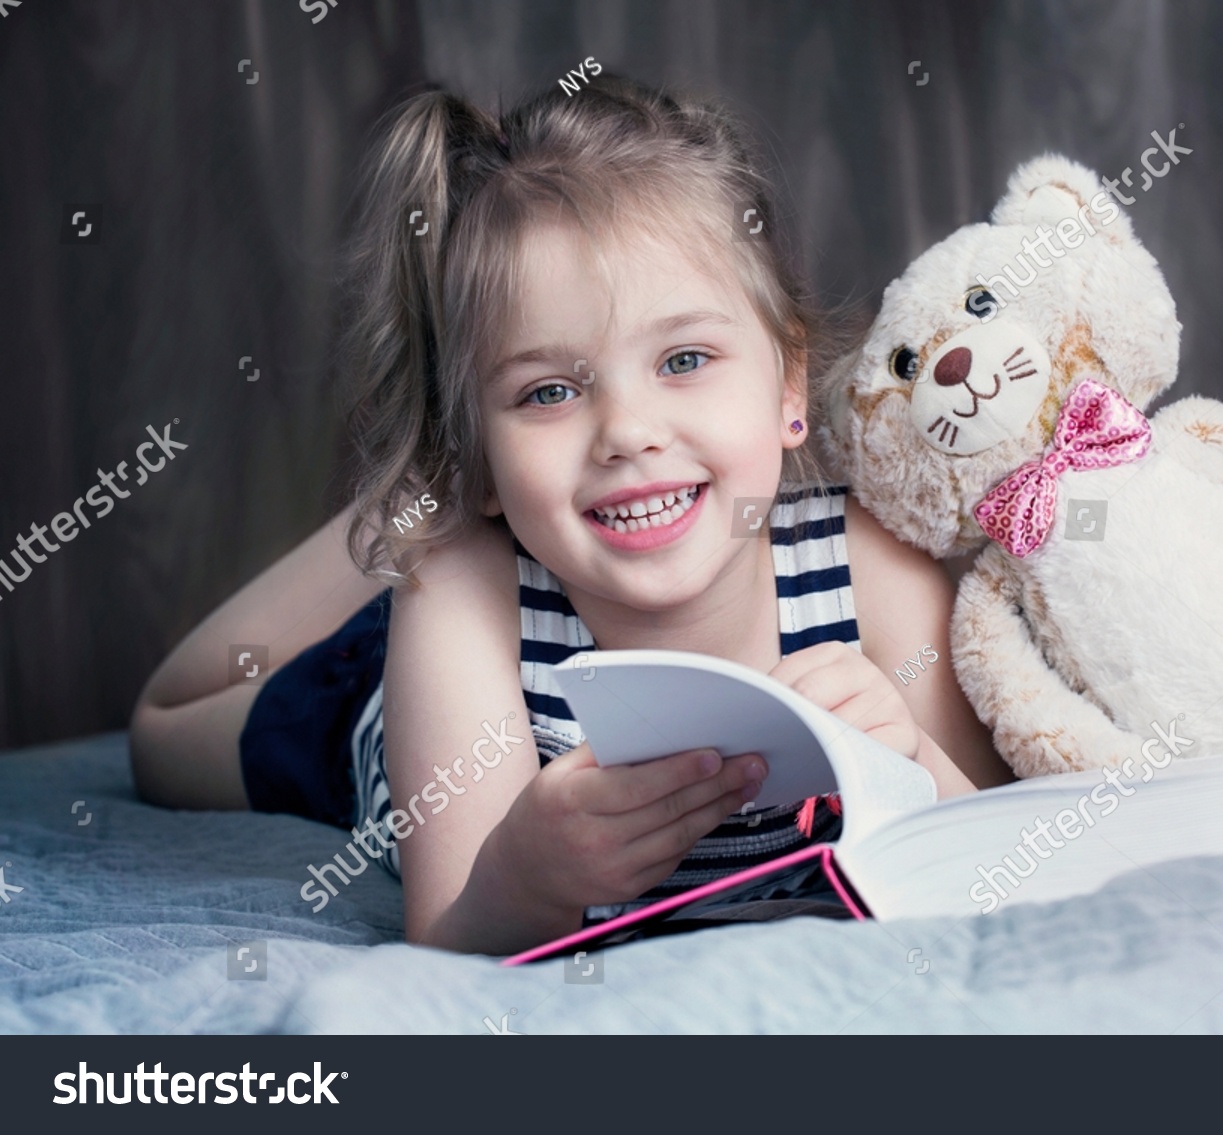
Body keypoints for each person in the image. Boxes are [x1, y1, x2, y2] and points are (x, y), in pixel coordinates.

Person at [128, 74, 1010, 956]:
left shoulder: (871, 573)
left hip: (520, 530)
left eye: (684, 358)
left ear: (786, 384)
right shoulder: (462, 600)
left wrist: (918, 771)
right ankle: (408, 506)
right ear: (481, 448)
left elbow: (1008, 854)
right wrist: (523, 876)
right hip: (393, 700)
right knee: (161, 734)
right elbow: (448, 935)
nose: (626, 432)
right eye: (548, 390)